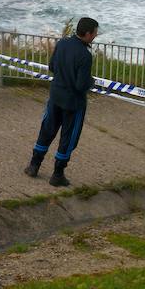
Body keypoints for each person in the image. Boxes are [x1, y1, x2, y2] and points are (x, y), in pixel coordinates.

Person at [23, 17, 99, 187]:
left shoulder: (63, 43)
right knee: (68, 137)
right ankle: (58, 174)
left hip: (55, 96)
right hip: (73, 103)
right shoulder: (85, 55)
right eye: (95, 32)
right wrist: (91, 82)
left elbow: (52, 66)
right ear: (87, 34)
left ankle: (34, 165)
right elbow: (81, 85)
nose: (96, 35)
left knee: (47, 130)